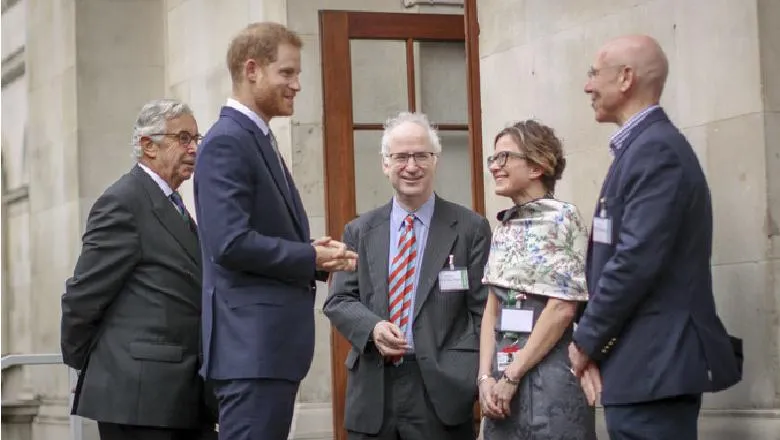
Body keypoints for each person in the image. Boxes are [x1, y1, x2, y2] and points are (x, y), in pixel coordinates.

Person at [568, 35, 743, 440]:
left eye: (594, 73)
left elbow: (634, 261)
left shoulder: (656, 151)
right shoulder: (641, 149)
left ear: (626, 78)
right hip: (640, 369)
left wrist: (585, 342)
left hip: (655, 369)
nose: (587, 85)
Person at [193, 22, 357, 440]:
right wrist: (309, 257)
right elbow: (229, 243)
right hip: (251, 353)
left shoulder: (256, 137)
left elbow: (250, 234)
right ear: (252, 70)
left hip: (266, 353)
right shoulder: (228, 141)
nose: (297, 84)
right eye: (287, 73)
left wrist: (311, 252)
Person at [323, 111, 492, 440]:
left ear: (435, 160)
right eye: (401, 156)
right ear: (386, 164)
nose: (411, 166)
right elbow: (339, 299)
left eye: (421, 155)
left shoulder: (470, 229)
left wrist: (465, 371)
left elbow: (483, 311)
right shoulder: (359, 230)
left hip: (441, 394)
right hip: (374, 391)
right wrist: (371, 327)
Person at [60, 99, 217, 440]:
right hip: (140, 399)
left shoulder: (171, 202)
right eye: (184, 138)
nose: (194, 148)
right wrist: (92, 363)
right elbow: (83, 296)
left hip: (180, 395)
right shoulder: (124, 201)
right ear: (148, 145)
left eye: (197, 138)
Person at [477, 120, 598, 440]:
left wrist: (512, 377)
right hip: (501, 381)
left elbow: (562, 308)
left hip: (548, 377)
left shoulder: (563, 217)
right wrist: (485, 378)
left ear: (537, 166)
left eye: (504, 157)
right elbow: (492, 309)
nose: (495, 167)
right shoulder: (503, 226)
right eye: (493, 159)